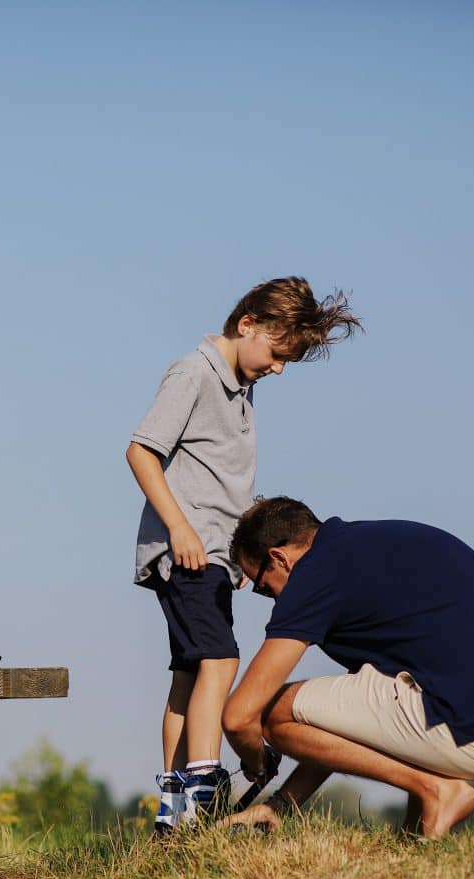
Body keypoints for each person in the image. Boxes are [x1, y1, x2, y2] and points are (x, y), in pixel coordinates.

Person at [126, 278, 361, 834]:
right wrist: (181, 530)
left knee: (189, 675)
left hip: (213, 554)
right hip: (189, 549)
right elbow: (140, 452)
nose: (279, 369)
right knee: (221, 660)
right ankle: (204, 787)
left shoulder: (239, 386)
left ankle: (174, 810)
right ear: (247, 324)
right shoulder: (194, 373)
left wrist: (238, 555)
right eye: (277, 355)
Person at [221, 497, 474, 838]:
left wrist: (258, 763)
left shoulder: (314, 574)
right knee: (389, 690)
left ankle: (438, 791)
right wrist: (283, 803)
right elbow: (346, 724)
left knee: (274, 713)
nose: (273, 599)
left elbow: (238, 717)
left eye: (262, 587)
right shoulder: (370, 546)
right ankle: (418, 827)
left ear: (279, 558)